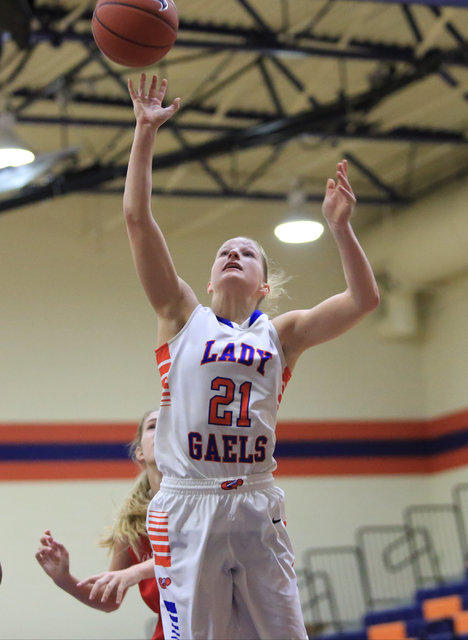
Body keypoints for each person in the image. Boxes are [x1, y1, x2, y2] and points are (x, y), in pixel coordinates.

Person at [124, 73, 380, 640]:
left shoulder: (280, 334)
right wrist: (145, 133)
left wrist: (339, 228)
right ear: (211, 274)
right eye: (224, 251)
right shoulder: (178, 314)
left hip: (258, 498)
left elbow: (364, 300)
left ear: (264, 285)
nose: (233, 254)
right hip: (188, 504)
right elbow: (138, 221)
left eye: (247, 252)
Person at [35, 410, 164, 640]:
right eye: (154, 425)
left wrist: (135, 572)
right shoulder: (133, 522)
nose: (164, 429)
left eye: (172, 425)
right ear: (140, 452)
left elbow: (190, 557)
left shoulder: (204, 503)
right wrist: (64, 578)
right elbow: (109, 598)